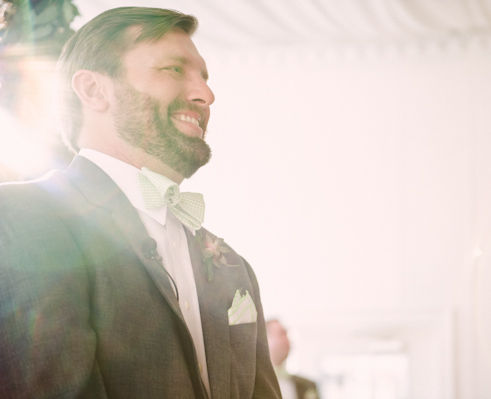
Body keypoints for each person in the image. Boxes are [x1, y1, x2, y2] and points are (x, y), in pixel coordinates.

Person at [0, 7, 281, 399]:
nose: (206, 94)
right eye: (174, 70)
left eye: (204, 77)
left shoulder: (235, 268)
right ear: (95, 90)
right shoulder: (22, 218)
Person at [266, 319, 320, 399]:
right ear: (265, 339)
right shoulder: (251, 384)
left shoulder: (308, 385)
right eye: (281, 334)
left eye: (287, 334)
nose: (287, 339)